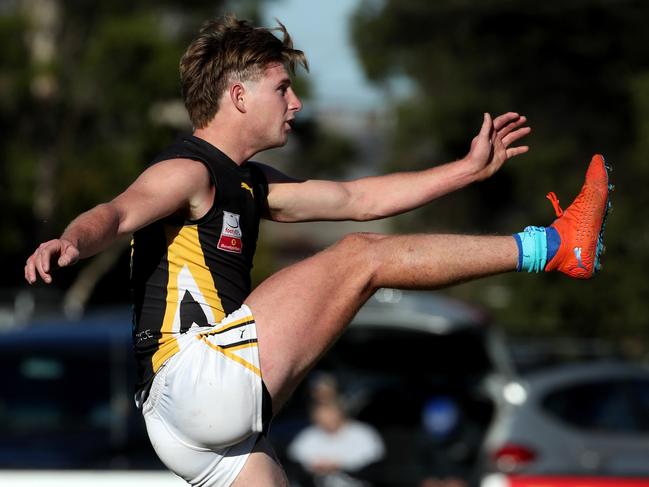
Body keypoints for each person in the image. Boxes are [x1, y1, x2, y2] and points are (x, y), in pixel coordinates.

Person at [24, 14, 611, 487]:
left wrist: (463, 171)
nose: (296, 102)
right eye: (282, 88)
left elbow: (356, 195)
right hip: (194, 378)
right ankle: (556, 246)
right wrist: (71, 239)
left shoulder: (250, 183)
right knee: (361, 257)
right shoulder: (189, 171)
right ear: (237, 96)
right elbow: (119, 212)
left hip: (186, 427)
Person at [287, 397, 385, 487]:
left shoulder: (364, 433)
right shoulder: (307, 436)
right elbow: (295, 461)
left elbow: (373, 464)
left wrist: (340, 466)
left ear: (339, 412)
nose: (326, 418)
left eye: (329, 413)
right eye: (320, 415)